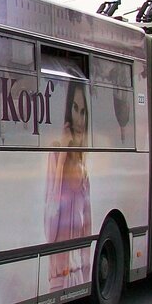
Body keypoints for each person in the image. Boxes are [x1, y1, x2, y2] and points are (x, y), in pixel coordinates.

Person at [44, 81, 92, 291]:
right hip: (57, 279)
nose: (79, 118)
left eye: (83, 111)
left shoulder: (84, 173)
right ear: (68, 113)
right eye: (74, 108)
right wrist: (62, 160)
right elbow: (49, 230)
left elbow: (87, 234)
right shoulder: (55, 156)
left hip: (80, 276)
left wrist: (87, 277)